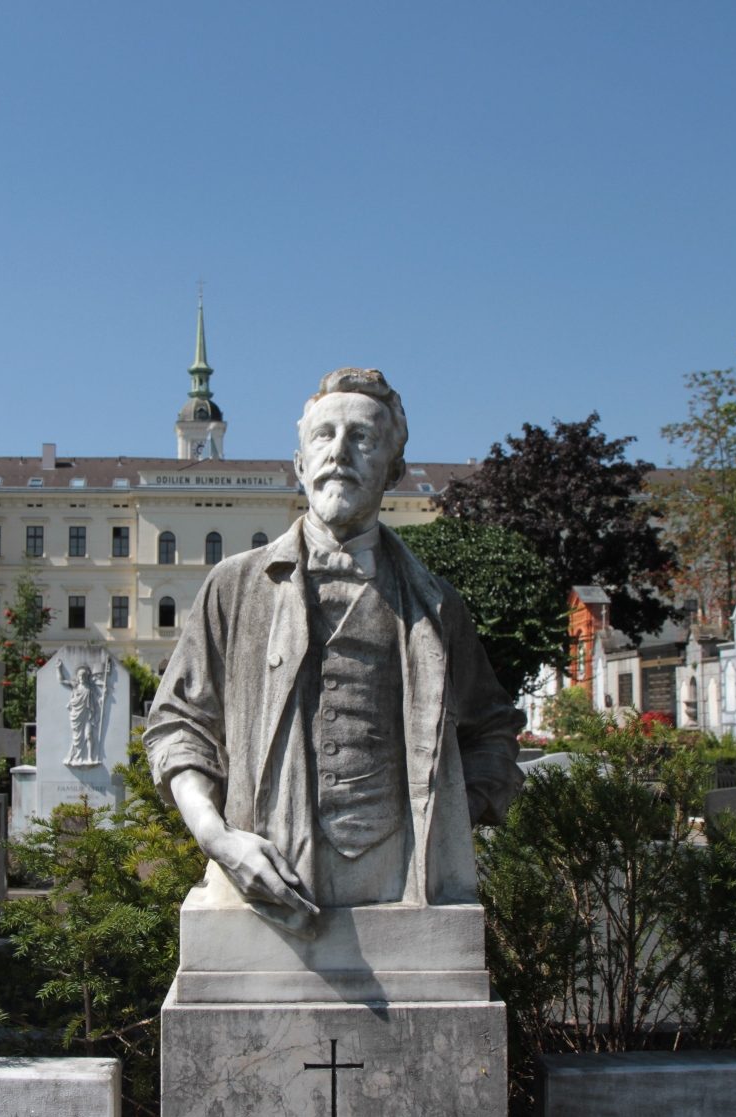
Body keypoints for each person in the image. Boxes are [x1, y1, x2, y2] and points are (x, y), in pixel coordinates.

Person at [144, 367, 523, 935]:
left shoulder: (438, 605)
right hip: (264, 880)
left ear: (393, 470)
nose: (339, 452)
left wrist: (449, 818)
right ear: (299, 463)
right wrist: (217, 839)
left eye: (362, 438)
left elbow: (493, 732)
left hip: (406, 886)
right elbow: (178, 726)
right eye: (324, 436)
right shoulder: (234, 588)